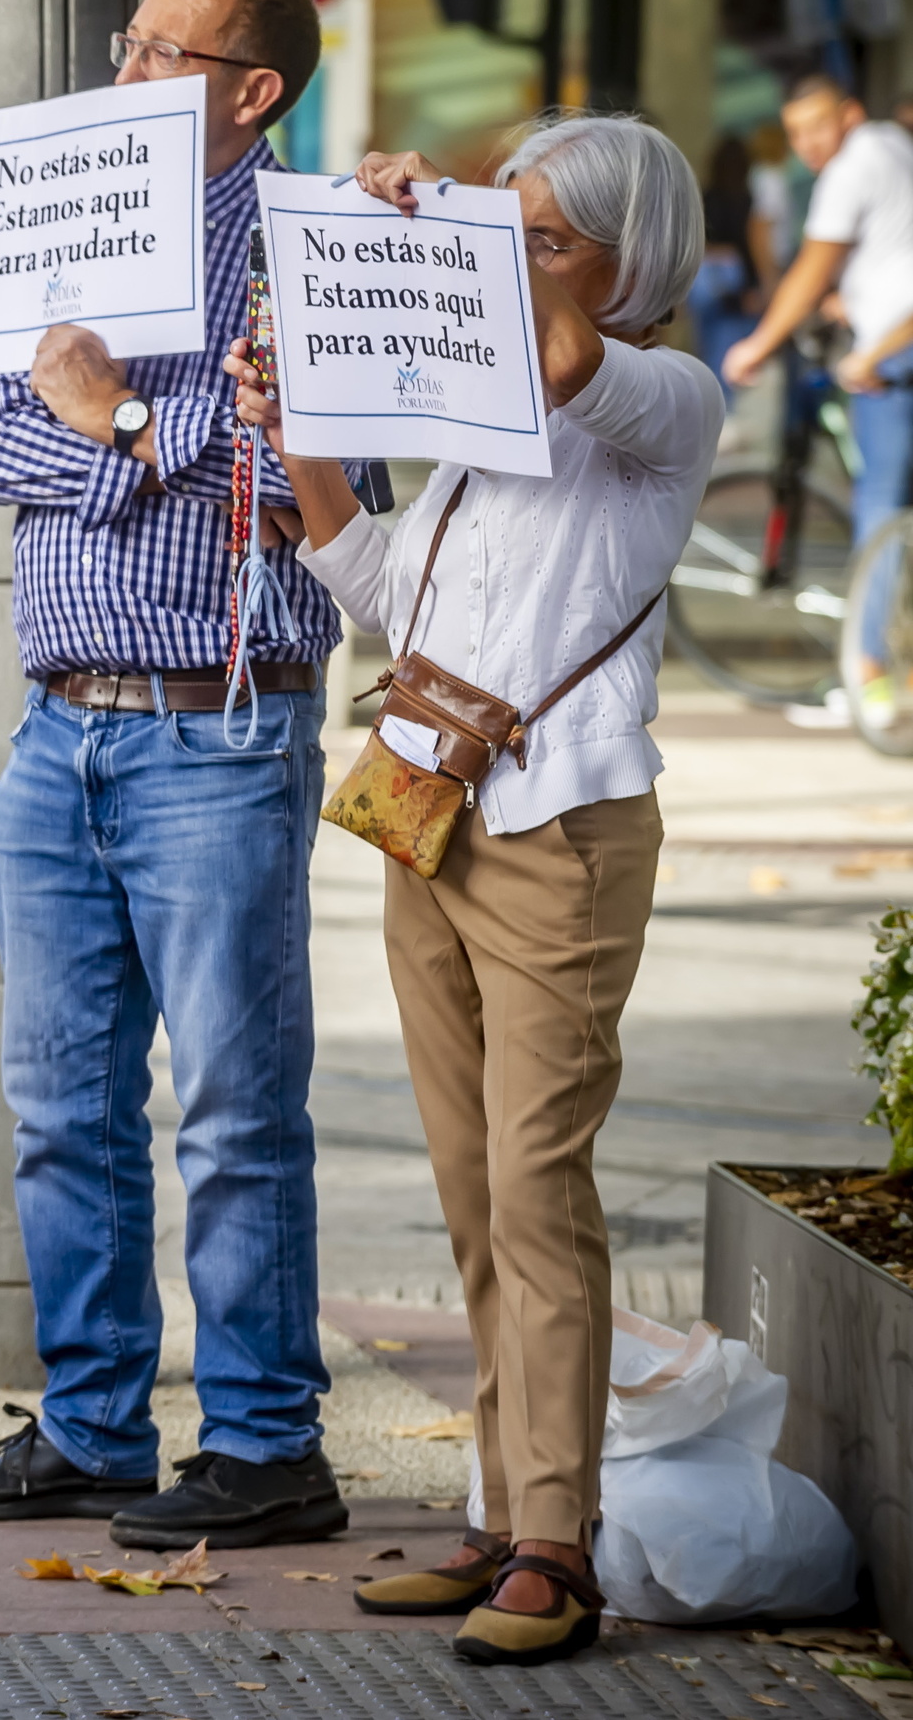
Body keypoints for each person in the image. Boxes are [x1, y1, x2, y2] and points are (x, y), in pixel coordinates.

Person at [237, 117, 716, 1666]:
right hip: (427, 811)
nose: (506, 266)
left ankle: (561, 1546)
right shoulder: (479, 418)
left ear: (621, 261)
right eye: (501, 238)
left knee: (535, 1185)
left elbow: (571, 356)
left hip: (561, 828)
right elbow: (381, 585)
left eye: (540, 239)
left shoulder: (663, 398)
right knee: (466, 1191)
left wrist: (432, 225)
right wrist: (302, 430)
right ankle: (503, 1512)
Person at [0, 0, 352, 1550]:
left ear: (254, 91)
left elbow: (303, 463)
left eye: (165, 53)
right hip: (62, 725)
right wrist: (136, 431)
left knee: (236, 1103)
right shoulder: (57, 214)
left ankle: (263, 1441)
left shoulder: (308, 247)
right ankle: (92, 1423)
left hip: (218, 725)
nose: (124, 74)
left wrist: (110, 420)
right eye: (125, 40)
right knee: (61, 1097)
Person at [720, 73, 913, 549]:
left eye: (818, 127)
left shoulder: (851, 166)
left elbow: (811, 269)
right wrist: (848, 298)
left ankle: (872, 626)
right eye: (795, 132)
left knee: (880, 503)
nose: (805, 144)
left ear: (851, 115)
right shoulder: (891, 143)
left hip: (894, 346)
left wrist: (756, 347)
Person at [687, 134, 761, 389]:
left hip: (703, 271)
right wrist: (753, 284)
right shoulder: (746, 199)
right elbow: (749, 246)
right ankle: (727, 399)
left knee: (706, 341)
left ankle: (712, 392)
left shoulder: (705, 196)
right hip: (732, 270)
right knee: (733, 340)